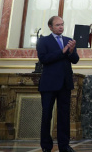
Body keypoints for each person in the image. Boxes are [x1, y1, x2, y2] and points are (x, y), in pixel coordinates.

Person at [37, 16, 79, 152]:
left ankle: (64, 145)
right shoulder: (43, 41)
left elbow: (75, 60)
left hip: (65, 84)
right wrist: (62, 52)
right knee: (46, 115)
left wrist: (71, 52)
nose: (60, 27)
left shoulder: (68, 41)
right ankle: (46, 146)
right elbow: (44, 59)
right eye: (57, 25)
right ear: (50, 27)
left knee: (64, 116)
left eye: (62, 24)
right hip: (49, 84)